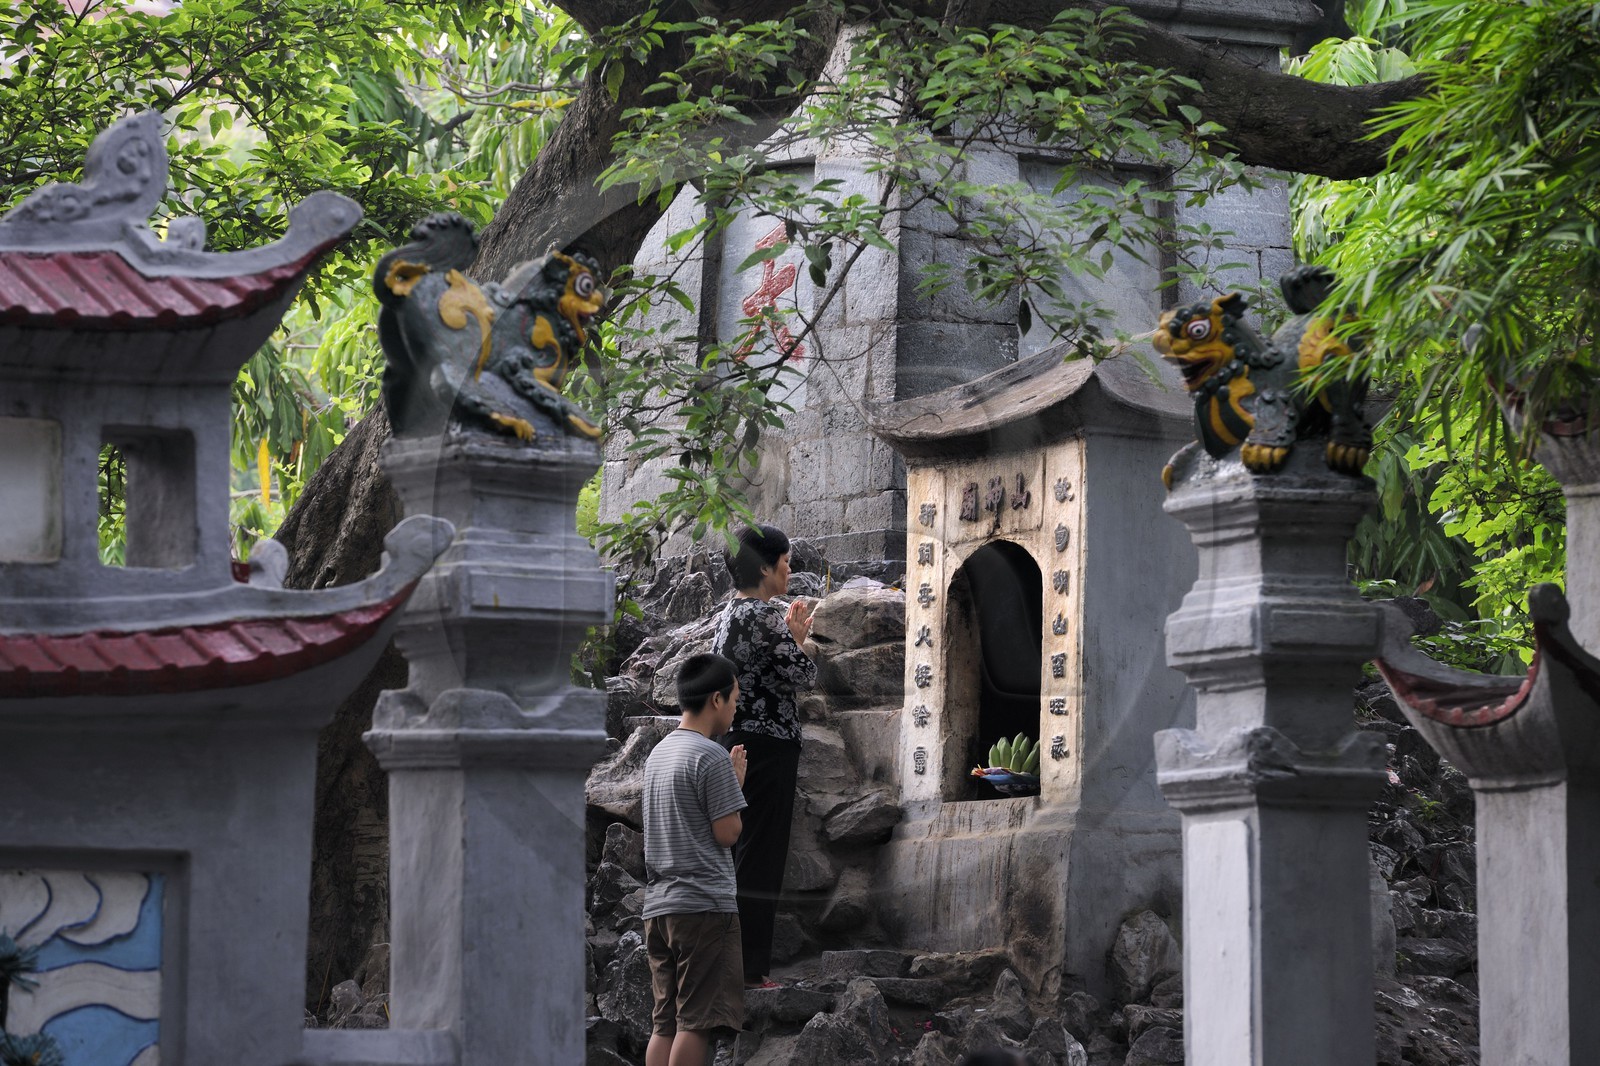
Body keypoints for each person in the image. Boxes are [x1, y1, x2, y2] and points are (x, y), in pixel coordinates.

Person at [711, 524, 818, 988]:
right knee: (761, 856)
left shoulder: (728, 615)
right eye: (785, 562)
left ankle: (730, 963)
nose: (790, 569)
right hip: (768, 745)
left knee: (739, 852)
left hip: (735, 740)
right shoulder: (764, 616)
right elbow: (805, 674)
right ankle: (750, 970)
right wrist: (798, 639)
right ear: (765, 567)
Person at [642, 653, 750, 1066]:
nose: (735, 708)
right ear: (717, 700)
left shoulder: (658, 755)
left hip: (660, 908)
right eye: (735, 699)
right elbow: (728, 832)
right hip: (703, 907)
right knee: (696, 1022)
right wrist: (735, 784)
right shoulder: (710, 756)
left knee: (664, 1024)